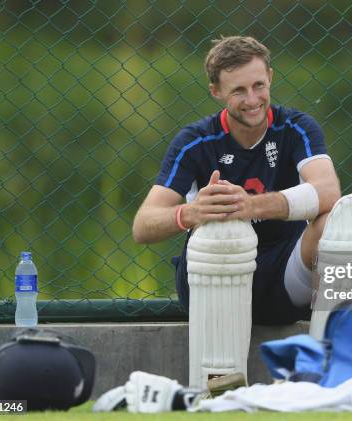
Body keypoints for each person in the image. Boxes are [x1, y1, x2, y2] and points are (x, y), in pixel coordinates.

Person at [133, 36, 340, 325]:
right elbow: (143, 225)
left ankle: (335, 349)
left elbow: (329, 191)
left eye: (258, 86)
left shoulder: (296, 127)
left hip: (285, 272)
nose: (253, 100)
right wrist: (191, 213)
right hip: (214, 269)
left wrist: (251, 206)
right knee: (219, 229)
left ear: (269, 77)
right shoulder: (195, 141)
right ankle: (216, 371)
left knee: (339, 222)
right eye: (239, 91)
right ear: (216, 91)